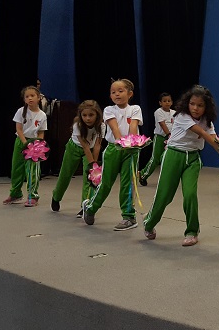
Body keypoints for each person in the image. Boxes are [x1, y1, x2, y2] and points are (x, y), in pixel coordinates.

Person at [142, 85, 219, 246]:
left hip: (193, 159)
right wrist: (218, 145)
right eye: (193, 104)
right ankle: (149, 222)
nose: (195, 108)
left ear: (206, 106)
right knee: (165, 195)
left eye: (200, 105)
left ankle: (192, 231)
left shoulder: (207, 120)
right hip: (173, 155)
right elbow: (203, 134)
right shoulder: (182, 116)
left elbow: (214, 138)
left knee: (190, 194)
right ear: (187, 103)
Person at [82, 79, 143, 230]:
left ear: (130, 94)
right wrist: (121, 143)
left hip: (131, 150)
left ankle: (129, 216)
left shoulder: (135, 108)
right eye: (113, 92)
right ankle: (90, 207)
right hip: (114, 149)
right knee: (106, 182)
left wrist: (132, 143)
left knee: (128, 183)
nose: (117, 94)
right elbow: (115, 128)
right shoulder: (109, 110)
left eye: (120, 91)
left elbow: (133, 126)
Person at [50, 100, 105, 216]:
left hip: (89, 151)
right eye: (84, 115)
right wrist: (92, 164)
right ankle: (56, 197)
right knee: (65, 174)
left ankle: (86, 205)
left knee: (89, 179)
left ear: (97, 115)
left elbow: (97, 145)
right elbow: (84, 145)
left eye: (91, 115)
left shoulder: (101, 126)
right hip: (74, 148)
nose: (88, 118)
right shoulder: (77, 125)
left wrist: (94, 165)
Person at [3, 85, 47, 207]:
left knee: (33, 171)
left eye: (32, 96)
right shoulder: (21, 111)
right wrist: (25, 143)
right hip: (21, 142)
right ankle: (15, 193)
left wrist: (38, 144)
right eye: (27, 96)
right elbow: (19, 129)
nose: (30, 98)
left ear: (38, 98)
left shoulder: (42, 115)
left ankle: (33, 196)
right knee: (16, 168)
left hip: (34, 143)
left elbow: (41, 132)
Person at [138, 92, 174, 186]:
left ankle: (167, 179)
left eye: (169, 101)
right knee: (155, 159)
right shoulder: (158, 112)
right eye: (164, 101)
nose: (167, 103)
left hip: (171, 139)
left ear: (172, 102)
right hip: (160, 137)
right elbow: (162, 124)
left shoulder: (174, 113)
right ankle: (143, 174)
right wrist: (169, 134)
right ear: (160, 103)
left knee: (168, 159)